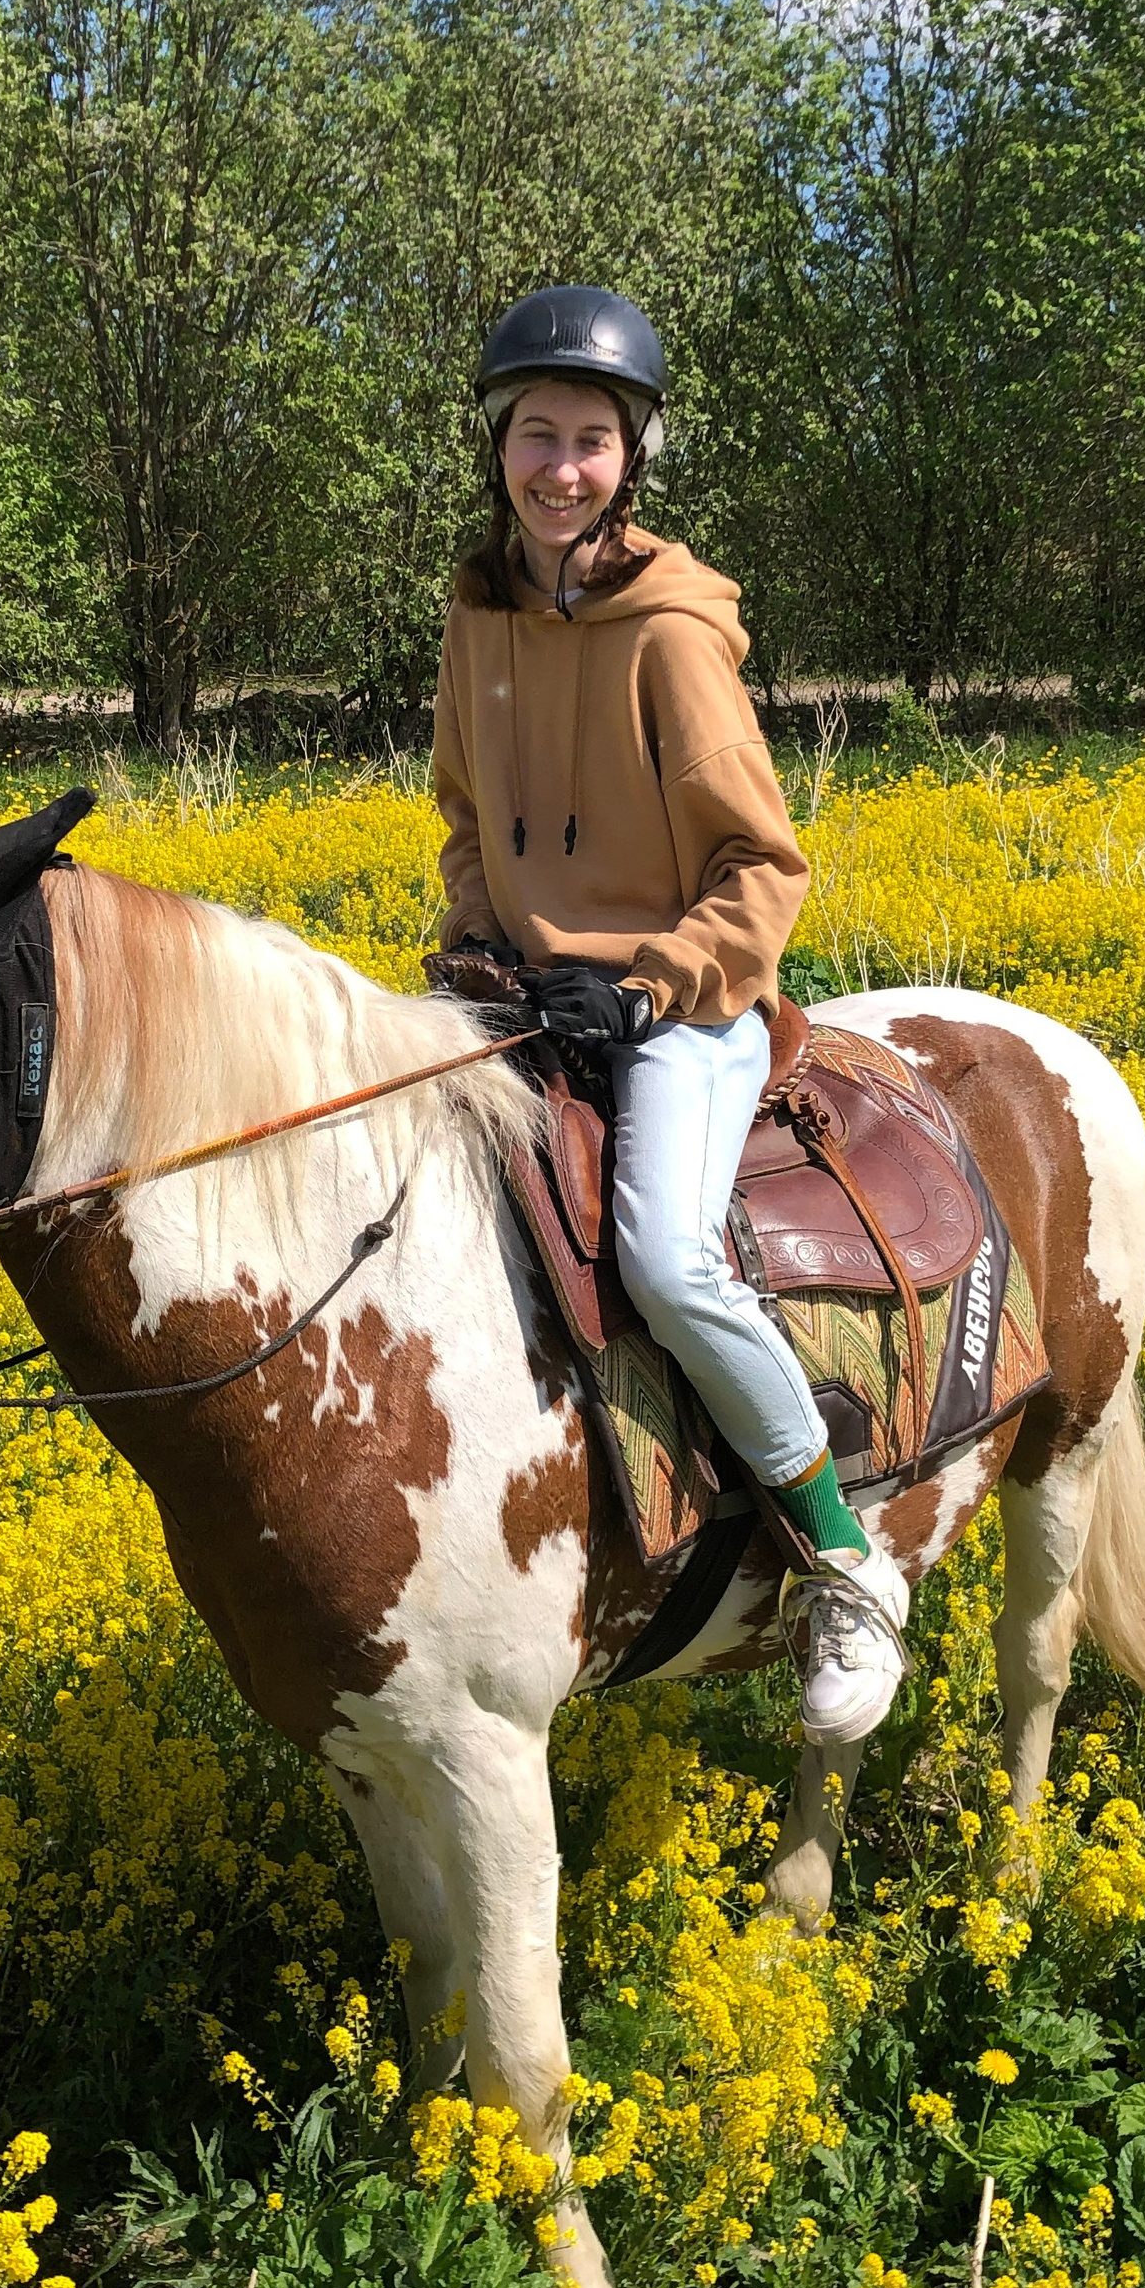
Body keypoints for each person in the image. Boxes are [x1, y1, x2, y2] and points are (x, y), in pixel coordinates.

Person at [430, 284, 913, 1745]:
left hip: (684, 1002)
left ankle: (841, 1552)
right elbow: (463, 816)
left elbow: (764, 867)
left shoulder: (673, 635)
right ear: (497, 449)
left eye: (589, 439)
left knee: (662, 1254)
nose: (558, 467)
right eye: (534, 435)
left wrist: (646, 982)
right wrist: (480, 944)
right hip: (529, 994)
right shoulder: (476, 613)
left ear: (630, 459)